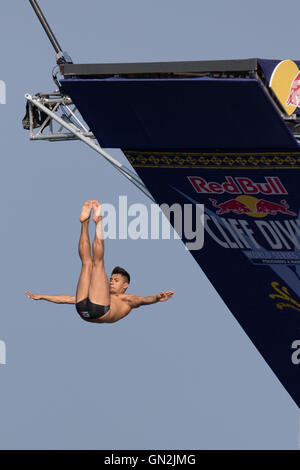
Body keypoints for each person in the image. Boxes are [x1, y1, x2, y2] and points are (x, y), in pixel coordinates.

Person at [26, 200, 174, 323]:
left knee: (97, 263)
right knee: (87, 263)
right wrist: (42, 296)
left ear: (125, 285)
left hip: (98, 309)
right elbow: (66, 299)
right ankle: (84, 223)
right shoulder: (103, 294)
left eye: (116, 280)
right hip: (84, 311)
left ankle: (98, 222)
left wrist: (156, 298)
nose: (111, 281)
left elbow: (144, 300)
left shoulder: (128, 299)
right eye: (111, 279)